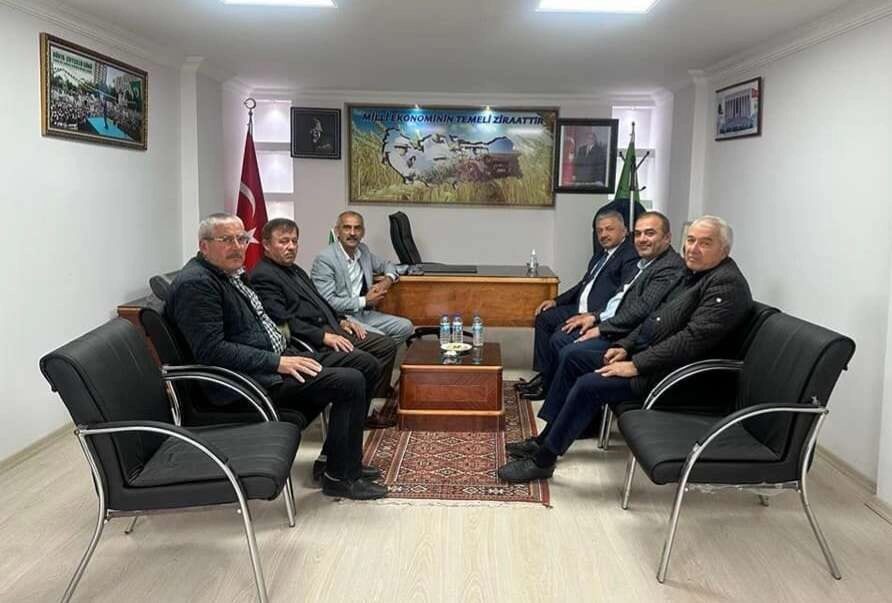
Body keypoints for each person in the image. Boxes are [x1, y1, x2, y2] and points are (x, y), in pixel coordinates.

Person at [499, 215, 753, 483]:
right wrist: (624, 345)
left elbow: (690, 340)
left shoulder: (726, 284)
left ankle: (544, 461)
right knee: (574, 358)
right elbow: (655, 318)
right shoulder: (692, 274)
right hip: (653, 356)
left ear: (725, 249)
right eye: (690, 240)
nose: (693, 249)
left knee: (589, 384)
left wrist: (635, 364)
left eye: (705, 243)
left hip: (678, 376)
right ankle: (545, 438)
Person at [165, 213, 386, 500]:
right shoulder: (197, 284)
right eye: (226, 240)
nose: (237, 247)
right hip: (249, 381)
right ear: (204, 246)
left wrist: (288, 353)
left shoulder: (228, 274)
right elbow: (213, 351)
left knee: (366, 364)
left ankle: (337, 459)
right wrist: (278, 362)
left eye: (241, 239)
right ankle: (340, 477)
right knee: (350, 381)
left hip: (278, 357)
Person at [533, 211, 685, 427]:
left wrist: (601, 325)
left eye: (649, 233)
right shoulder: (637, 262)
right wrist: (584, 312)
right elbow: (614, 296)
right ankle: (555, 410)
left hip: (625, 335)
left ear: (667, 237)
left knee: (567, 347)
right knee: (552, 326)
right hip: (605, 318)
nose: (642, 239)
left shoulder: (662, 265)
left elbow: (642, 310)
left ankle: (566, 419)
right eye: (639, 234)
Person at [251, 218, 398, 428]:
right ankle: (362, 414)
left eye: (294, 241)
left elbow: (321, 301)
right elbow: (283, 322)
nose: (291, 247)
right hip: (311, 339)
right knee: (366, 360)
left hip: (332, 326)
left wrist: (341, 320)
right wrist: (323, 336)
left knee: (385, 345)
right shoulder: (264, 276)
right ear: (266, 244)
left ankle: (367, 407)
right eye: (283, 241)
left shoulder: (294, 269)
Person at [518, 210, 639, 400]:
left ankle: (549, 386)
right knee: (544, 317)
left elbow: (622, 296)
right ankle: (544, 375)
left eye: (609, 229)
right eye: (599, 230)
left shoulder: (629, 256)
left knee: (559, 335)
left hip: (596, 314)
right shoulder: (600, 256)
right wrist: (556, 301)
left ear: (624, 231)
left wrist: (594, 315)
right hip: (578, 308)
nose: (603, 234)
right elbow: (583, 285)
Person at [312, 211, 414, 345]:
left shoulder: (363, 250)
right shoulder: (325, 259)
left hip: (363, 314)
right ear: (337, 231)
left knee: (406, 327)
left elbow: (387, 264)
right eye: (347, 227)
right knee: (382, 340)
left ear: (363, 232)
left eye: (357, 228)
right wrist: (365, 301)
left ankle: (378, 355)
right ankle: (377, 351)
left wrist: (386, 281)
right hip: (340, 318)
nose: (352, 233)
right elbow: (326, 302)